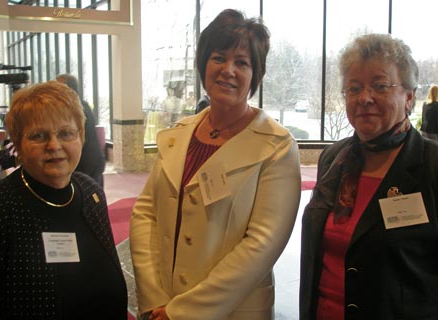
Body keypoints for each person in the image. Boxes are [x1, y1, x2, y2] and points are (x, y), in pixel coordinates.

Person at [130, 8, 301, 320]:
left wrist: (183, 313)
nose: (228, 70)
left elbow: (261, 246)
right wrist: (155, 298)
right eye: (219, 57)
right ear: (204, 63)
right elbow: (146, 214)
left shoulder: (276, 146)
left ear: (255, 75)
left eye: (242, 62)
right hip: (163, 303)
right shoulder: (178, 135)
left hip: (232, 311)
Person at [300, 33, 438, 320]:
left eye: (380, 85)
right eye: (354, 88)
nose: (364, 98)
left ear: (409, 97)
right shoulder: (334, 160)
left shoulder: (431, 165)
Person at [0, 81, 128, 319]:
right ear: (18, 145)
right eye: (38, 136)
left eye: (65, 133)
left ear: (80, 137)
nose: (54, 145)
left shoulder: (91, 193)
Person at [56, 74, 106, 187]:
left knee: (88, 199)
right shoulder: (83, 104)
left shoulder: (72, 108)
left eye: (57, 87)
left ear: (67, 89)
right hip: (94, 160)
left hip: (85, 163)